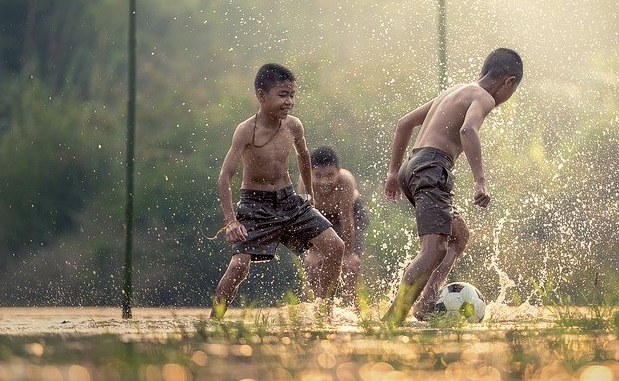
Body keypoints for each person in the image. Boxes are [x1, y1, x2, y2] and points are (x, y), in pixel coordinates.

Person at [383, 48, 523, 325]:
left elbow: (404, 124)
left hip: (413, 166)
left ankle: (425, 304)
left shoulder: (456, 90)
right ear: (507, 82)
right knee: (433, 250)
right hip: (433, 167)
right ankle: (391, 321)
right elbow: (467, 131)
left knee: (459, 236)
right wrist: (480, 181)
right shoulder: (483, 97)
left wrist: (392, 171)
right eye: (512, 90)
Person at [213, 63, 344, 319]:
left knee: (336, 247)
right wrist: (231, 221)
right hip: (255, 205)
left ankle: (325, 313)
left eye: (292, 95)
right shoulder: (245, 131)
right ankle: (214, 320)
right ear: (262, 96)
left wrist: (309, 196)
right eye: (282, 95)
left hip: (289, 201)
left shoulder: (293, 126)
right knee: (239, 266)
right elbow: (224, 178)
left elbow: (304, 157)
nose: (289, 102)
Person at [297, 147, 370, 306]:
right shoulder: (305, 182)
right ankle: (320, 305)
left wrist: (349, 254)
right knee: (314, 265)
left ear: (339, 171)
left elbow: (346, 218)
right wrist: (313, 251)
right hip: (318, 217)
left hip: (350, 215)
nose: (324, 182)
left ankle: (354, 305)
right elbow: (306, 219)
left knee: (349, 266)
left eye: (330, 175)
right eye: (318, 176)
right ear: (310, 173)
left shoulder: (346, 181)